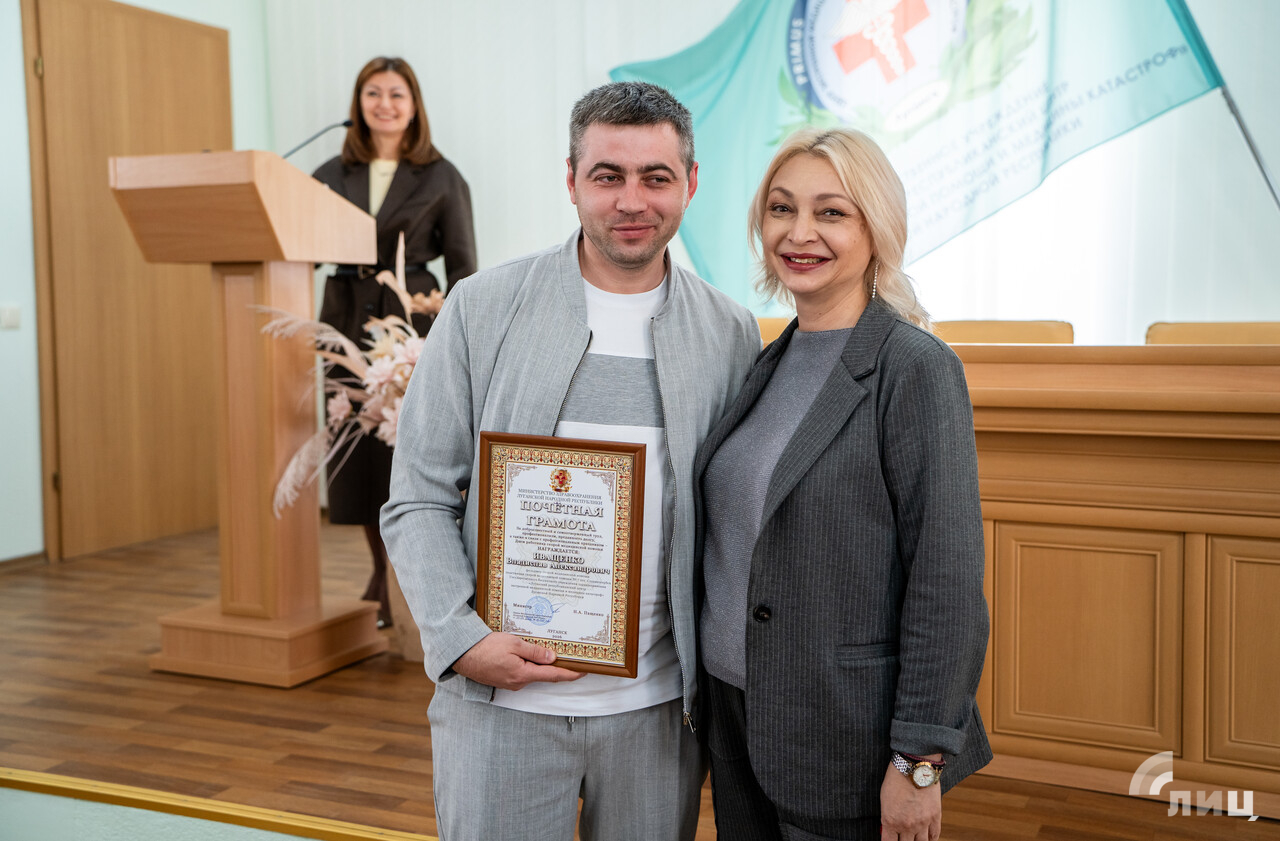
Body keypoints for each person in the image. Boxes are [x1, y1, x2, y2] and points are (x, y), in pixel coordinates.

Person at [380, 81, 760, 840]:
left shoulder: (729, 332)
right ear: (571, 180)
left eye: (656, 177)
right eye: (607, 176)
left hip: (657, 716)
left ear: (690, 183)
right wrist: (460, 639)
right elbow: (417, 496)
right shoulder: (482, 308)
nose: (632, 201)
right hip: (500, 710)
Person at [695, 127, 992, 841]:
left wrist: (919, 760)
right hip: (736, 716)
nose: (799, 232)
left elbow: (946, 581)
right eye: (781, 208)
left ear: (875, 228)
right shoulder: (765, 361)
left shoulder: (915, 369)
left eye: (831, 212)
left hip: (843, 732)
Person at [313, 56, 476, 626]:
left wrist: (453, 336)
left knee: (403, 449)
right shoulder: (330, 173)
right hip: (343, 317)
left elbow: (464, 267)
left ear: (413, 106)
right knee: (355, 448)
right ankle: (378, 570)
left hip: (410, 322)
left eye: (396, 94)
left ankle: (406, 572)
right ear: (358, 104)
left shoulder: (441, 175)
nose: (384, 104)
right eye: (373, 93)